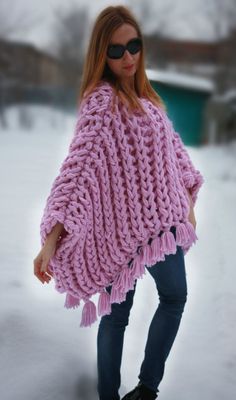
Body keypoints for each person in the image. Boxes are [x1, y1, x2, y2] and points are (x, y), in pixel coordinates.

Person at [34, 5, 204, 400]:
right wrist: (50, 241)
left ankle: (147, 388)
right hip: (117, 231)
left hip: (162, 223)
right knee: (116, 316)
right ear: (102, 55)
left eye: (134, 45)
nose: (128, 57)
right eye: (116, 50)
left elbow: (172, 156)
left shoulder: (148, 98)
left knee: (174, 297)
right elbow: (77, 174)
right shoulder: (101, 103)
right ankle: (108, 395)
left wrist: (187, 200)